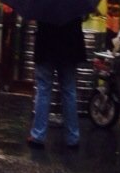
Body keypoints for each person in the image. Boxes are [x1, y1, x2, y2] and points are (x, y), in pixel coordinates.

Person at [28, 16, 86, 149]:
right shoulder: (74, 2)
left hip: (46, 45)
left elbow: (35, 16)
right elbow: (82, 17)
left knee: (43, 90)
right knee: (69, 91)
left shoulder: (42, 1)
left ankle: (38, 136)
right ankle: (73, 138)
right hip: (70, 45)